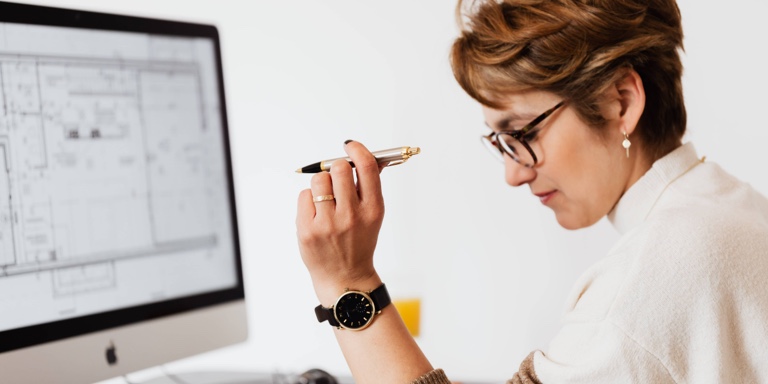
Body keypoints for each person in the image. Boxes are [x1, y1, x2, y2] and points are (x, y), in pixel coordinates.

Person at [296, 0, 768, 382]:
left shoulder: (645, 283)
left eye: (522, 133)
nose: (513, 175)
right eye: (499, 143)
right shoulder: (727, 206)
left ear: (619, 102)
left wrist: (348, 282)